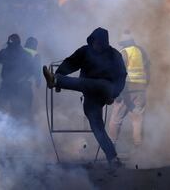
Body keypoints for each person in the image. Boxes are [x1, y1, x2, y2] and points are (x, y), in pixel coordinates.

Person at [43, 27, 127, 168]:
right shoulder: (85, 51)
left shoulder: (114, 55)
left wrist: (114, 94)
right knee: (97, 127)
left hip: (105, 87)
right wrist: (60, 74)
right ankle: (113, 158)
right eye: (96, 42)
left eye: (101, 43)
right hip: (90, 94)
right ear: (92, 40)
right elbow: (71, 63)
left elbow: (122, 75)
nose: (98, 46)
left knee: (85, 83)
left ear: (105, 43)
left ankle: (56, 80)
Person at [108, 30, 150, 148]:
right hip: (141, 90)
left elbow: (119, 72)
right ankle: (138, 148)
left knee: (116, 118)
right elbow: (148, 71)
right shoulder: (141, 51)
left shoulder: (123, 52)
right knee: (137, 119)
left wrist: (117, 91)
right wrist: (144, 86)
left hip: (127, 89)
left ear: (123, 43)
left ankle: (111, 146)